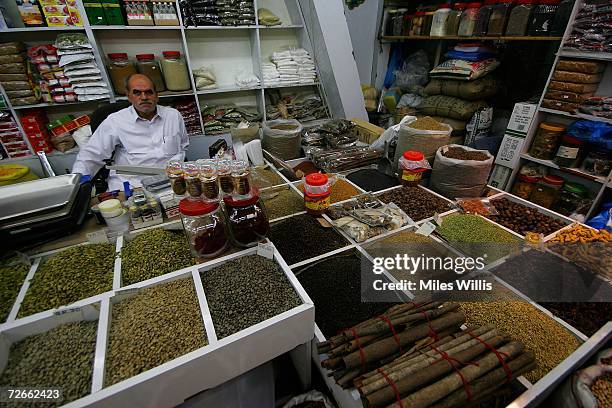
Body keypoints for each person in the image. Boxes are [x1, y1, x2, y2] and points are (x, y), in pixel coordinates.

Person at [72, 73, 189, 191]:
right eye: (137, 92)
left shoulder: (173, 115)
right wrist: (77, 185)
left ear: (156, 96)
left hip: (171, 183)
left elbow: (183, 147)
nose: (144, 97)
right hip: (133, 186)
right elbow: (91, 155)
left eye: (149, 92)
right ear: (128, 96)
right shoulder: (115, 121)